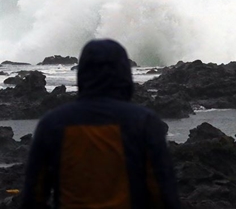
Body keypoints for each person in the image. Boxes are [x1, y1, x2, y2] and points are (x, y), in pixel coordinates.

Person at [21, 39, 180, 209]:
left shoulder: (52, 123)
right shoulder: (144, 122)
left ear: (82, 72)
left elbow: (33, 195)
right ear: (124, 72)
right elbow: (163, 193)